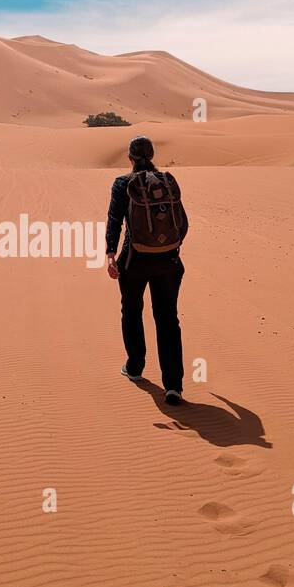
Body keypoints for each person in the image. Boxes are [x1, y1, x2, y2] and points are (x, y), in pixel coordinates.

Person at [105, 135, 189, 404]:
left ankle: (135, 367)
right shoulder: (167, 181)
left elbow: (114, 220)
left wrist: (110, 254)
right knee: (167, 318)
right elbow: (183, 223)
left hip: (135, 259)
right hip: (168, 262)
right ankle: (173, 384)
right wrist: (172, 250)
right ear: (152, 156)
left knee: (131, 310)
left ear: (129, 157)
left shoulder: (122, 183)